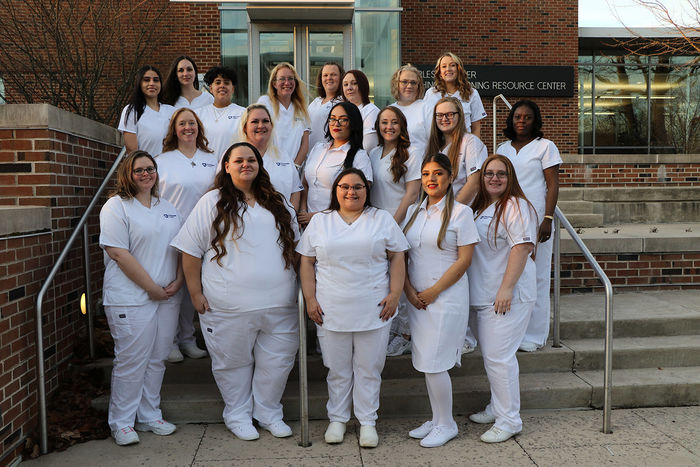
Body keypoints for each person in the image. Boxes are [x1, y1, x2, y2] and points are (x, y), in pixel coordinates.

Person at [171, 142, 300, 441]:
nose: (246, 164)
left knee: (277, 362)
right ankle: (238, 414)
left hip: (279, 305)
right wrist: (194, 293)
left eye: (251, 159)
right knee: (232, 364)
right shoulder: (212, 202)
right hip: (228, 305)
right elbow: (190, 251)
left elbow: (297, 249)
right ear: (226, 166)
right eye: (238, 160)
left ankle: (268, 412)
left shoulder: (277, 202)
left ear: (260, 165)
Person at [297, 168, 409, 448]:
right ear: (335, 191)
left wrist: (395, 293)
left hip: (373, 306)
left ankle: (367, 421)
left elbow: (397, 256)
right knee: (336, 367)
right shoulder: (321, 221)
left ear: (366, 191)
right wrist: (310, 299)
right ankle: (337, 419)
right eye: (345, 187)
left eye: (358, 186)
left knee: (369, 367)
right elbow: (307, 262)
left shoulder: (381, 218)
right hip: (330, 307)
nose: (351, 192)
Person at [99, 151, 183, 446]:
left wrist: (179, 281)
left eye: (150, 169)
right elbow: (118, 253)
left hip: (167, 295)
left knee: (157, 359)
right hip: (131, 297)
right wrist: (151, 288)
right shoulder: (116, 207)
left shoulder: (168, 206)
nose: (146, 174)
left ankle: (149, 415)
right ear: (127, 174)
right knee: (132, 361)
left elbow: (183, 247)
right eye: (139, 170)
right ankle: (121, 422)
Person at [402, 153, 479, 448]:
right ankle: (436, 418)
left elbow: (464, 260)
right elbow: (404, 256)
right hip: (417, 299)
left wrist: (434, 292)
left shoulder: (461, 213)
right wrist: (409, 291)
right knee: (425, 362)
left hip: (445, 298)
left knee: (436, 363)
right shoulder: (414, 211)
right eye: (425, 174)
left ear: (449, 178)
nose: (431, 179)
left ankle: (447, 424)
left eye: (437, 174)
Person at [467, 154, 537, 443]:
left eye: (501, 174)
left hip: (508, 295)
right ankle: (497, 407)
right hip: (485, 294)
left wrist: (507, 288)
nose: (494, 178)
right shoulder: (482, 206)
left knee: (500, 359)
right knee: (493, 357)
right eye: (488, 173)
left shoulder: (516, 205)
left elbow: (521, 248)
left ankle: (509, 420)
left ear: (511, 179)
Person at [496, 100, 562, 352]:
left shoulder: (545, 147)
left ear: (536, 121)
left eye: (527, 117)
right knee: (511, 276)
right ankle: (512, 331)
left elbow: (553, 184)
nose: (521, 121)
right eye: (517, 117)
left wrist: (548, 218)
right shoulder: (503, 148)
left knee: (538, 276)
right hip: (508, 220)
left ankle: (535, 335)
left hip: (537, 222)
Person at [426, 96, 487, 354]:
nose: (445, 118)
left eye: (450, 114)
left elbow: (474, 182)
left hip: (461, 217)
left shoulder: (470, 142)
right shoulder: (437, 146)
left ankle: (467, 337)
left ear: (460, 117)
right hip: (441, 217)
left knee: (462, 277)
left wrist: (449, 210)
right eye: (440, 115)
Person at [157, 108, 216, 363]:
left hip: (205, 233)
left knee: (196, 288)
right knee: (174, 289)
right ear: (174, 129)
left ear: (199, 127)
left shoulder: (212, 159)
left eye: (192, 123)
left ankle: (188, 339)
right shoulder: (161, 161)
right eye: (182, 124)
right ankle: (169, 342)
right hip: (171, 232)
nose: (188, 128)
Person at [368, 106, 421, 357]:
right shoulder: (373, 153)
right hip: (376, 223)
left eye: (394, 122)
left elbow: (412, 193)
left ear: (402, 126)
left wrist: (394, 225)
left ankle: (407, 334)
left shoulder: (412, 152)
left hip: (402, 222)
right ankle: (391, 329)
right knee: (385, 278)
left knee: (404, 277)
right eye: (384, 122)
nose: (388, 127)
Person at [299, 101, 373, 225]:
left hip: (337, 224)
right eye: (332, 119)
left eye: (343, 120)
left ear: (353, 123)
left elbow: (359, 197)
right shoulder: (318, 148)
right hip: (308, 223)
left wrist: (316, 216)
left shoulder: (359, 156)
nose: (336, 124)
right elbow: (305, 184)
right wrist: (302, 212)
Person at [238, 104, 303, 210]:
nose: (261, 125)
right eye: (255, 121)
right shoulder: (233, 155)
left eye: (265, 121)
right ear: (245, 127)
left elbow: (295, 191)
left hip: (282, 223)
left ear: (271, 126)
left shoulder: (283, 156)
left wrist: (291, 218)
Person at [257, 62, 310, 166]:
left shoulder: (301, 109)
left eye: (291, 78)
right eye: (282, 79)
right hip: (269, 167)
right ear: (274, 83)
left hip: (293, 169)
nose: (287, 83)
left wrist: (295, 167)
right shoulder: (265, 102)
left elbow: (305, 143)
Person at [423, 52, 486, 138]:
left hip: (464, 146)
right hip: (438, 145)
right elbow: (426, 125)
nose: (448, 69)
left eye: (452, 65)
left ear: (458, 68)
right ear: (440, 72)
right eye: (444, 66)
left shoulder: (472, 93)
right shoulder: (431, 93)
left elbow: (476, 127)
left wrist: (475, 148)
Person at [118, 66, 175, 158]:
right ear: (139, 84)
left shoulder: (172, 111)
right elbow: (132, 152)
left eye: (156, 80)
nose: (152, 83)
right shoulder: (131, 111)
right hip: (147, 170)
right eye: (146, 80)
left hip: (173, 169)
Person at [196, 66, 245, 163]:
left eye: (226, 83)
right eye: (218, 82)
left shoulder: (243, 113)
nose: (222, 85)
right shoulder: (198, 114)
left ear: (233, 89)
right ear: (211, 88)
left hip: (232, 168)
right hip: (204, 167)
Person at [390, 64, 429, 155]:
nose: (409, 86)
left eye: (413, 82)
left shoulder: (426, 108)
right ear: (396, 84)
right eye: (404, 82)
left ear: (418, 86)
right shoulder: (390, 110)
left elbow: (433, 141)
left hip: (420, 164)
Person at [308, 62, 345, 151]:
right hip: (310, 155)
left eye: (333, 75)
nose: (329, 78)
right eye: (325, 75)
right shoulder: (316, 101)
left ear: (341, 78)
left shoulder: (342, 102)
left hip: (328, 154)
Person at [342, 70, 380, 151]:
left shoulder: (371, 111)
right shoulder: (342, 111)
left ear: (363, 85)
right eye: (345, 84)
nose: (349, 88)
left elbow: (368, 146)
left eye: (354, 83)